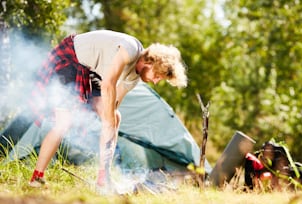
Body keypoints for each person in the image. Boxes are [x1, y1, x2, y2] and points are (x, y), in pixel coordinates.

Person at [28, 30, 187, 188]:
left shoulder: (133, 79)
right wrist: (108, 119)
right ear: (150, 63)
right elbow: (107, 84)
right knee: (64, 122)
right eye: (158, 76)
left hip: (90, 73)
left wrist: (109, 120)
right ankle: (37, 177)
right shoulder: (131, 49)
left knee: (115, 117)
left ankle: (103, 177)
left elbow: (113, 104)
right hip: (71, 60)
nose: (157, 81)